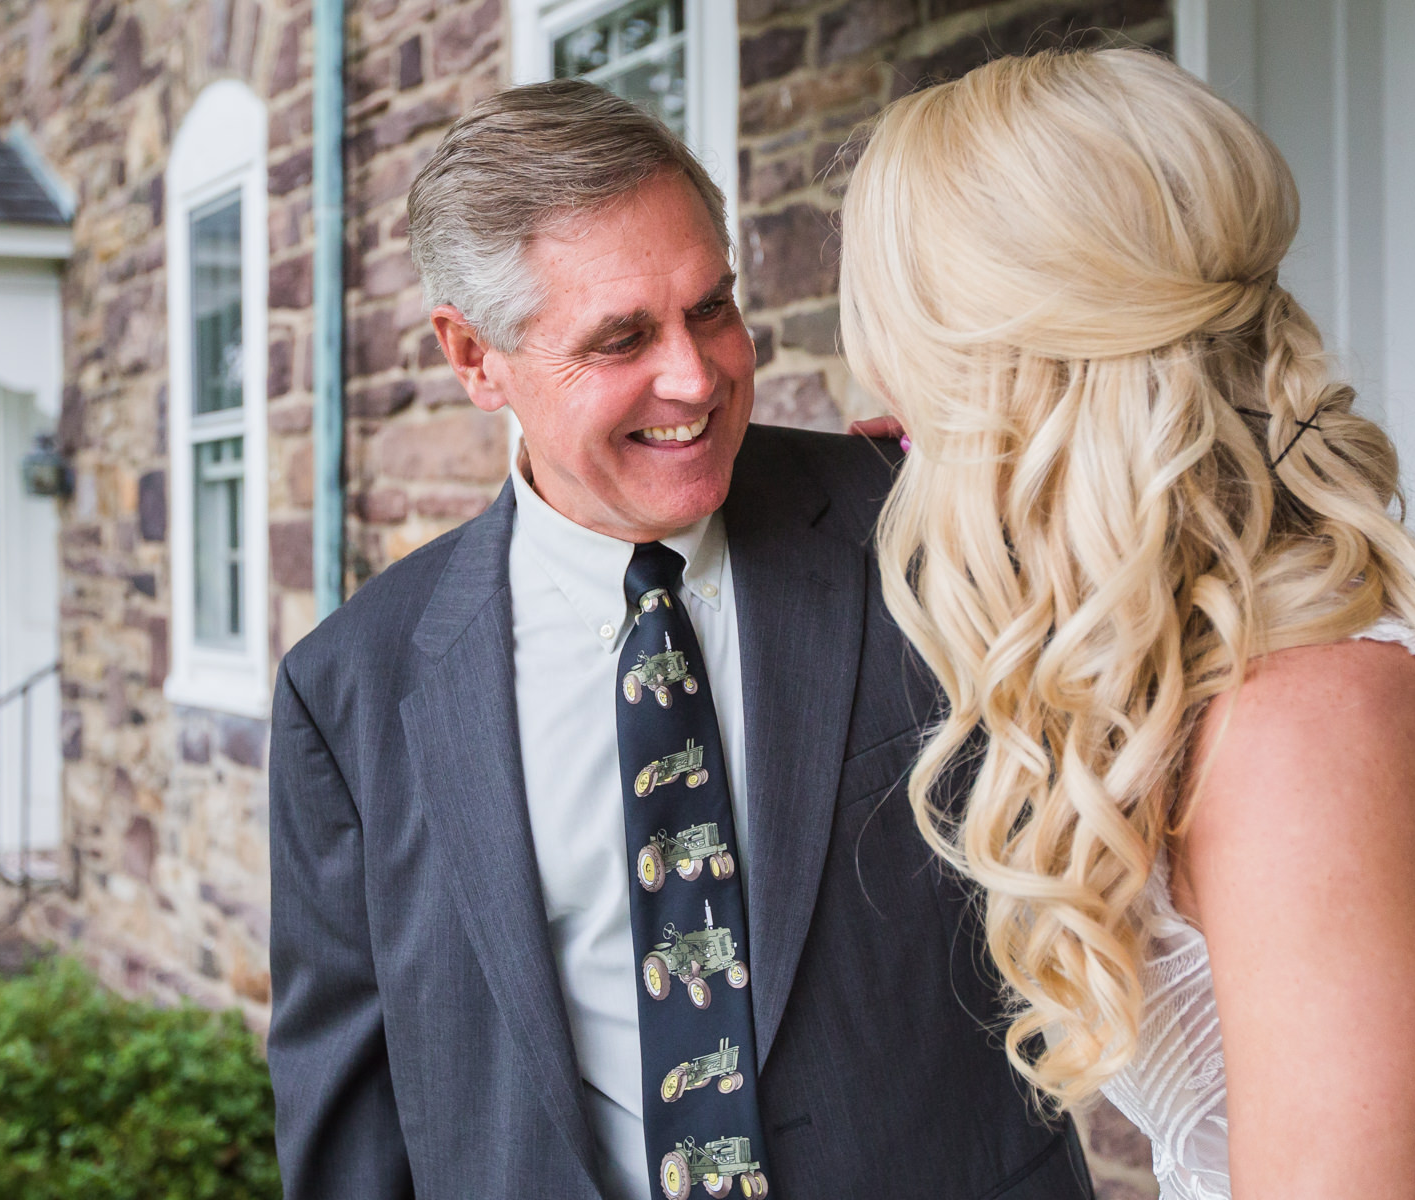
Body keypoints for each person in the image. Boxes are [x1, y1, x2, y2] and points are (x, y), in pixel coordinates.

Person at [265, 80, 1093, 1200]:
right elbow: (351, 1125)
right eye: (621, 339)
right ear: (473, 357)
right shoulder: (351, 691)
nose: (696, 378)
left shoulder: (923, 523)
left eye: (712, 307)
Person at [839, 47, 1415, 1199]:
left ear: (1017, 385)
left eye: (915, 381)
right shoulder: (1228, 684)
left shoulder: (1304, 739)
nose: (883, 420)